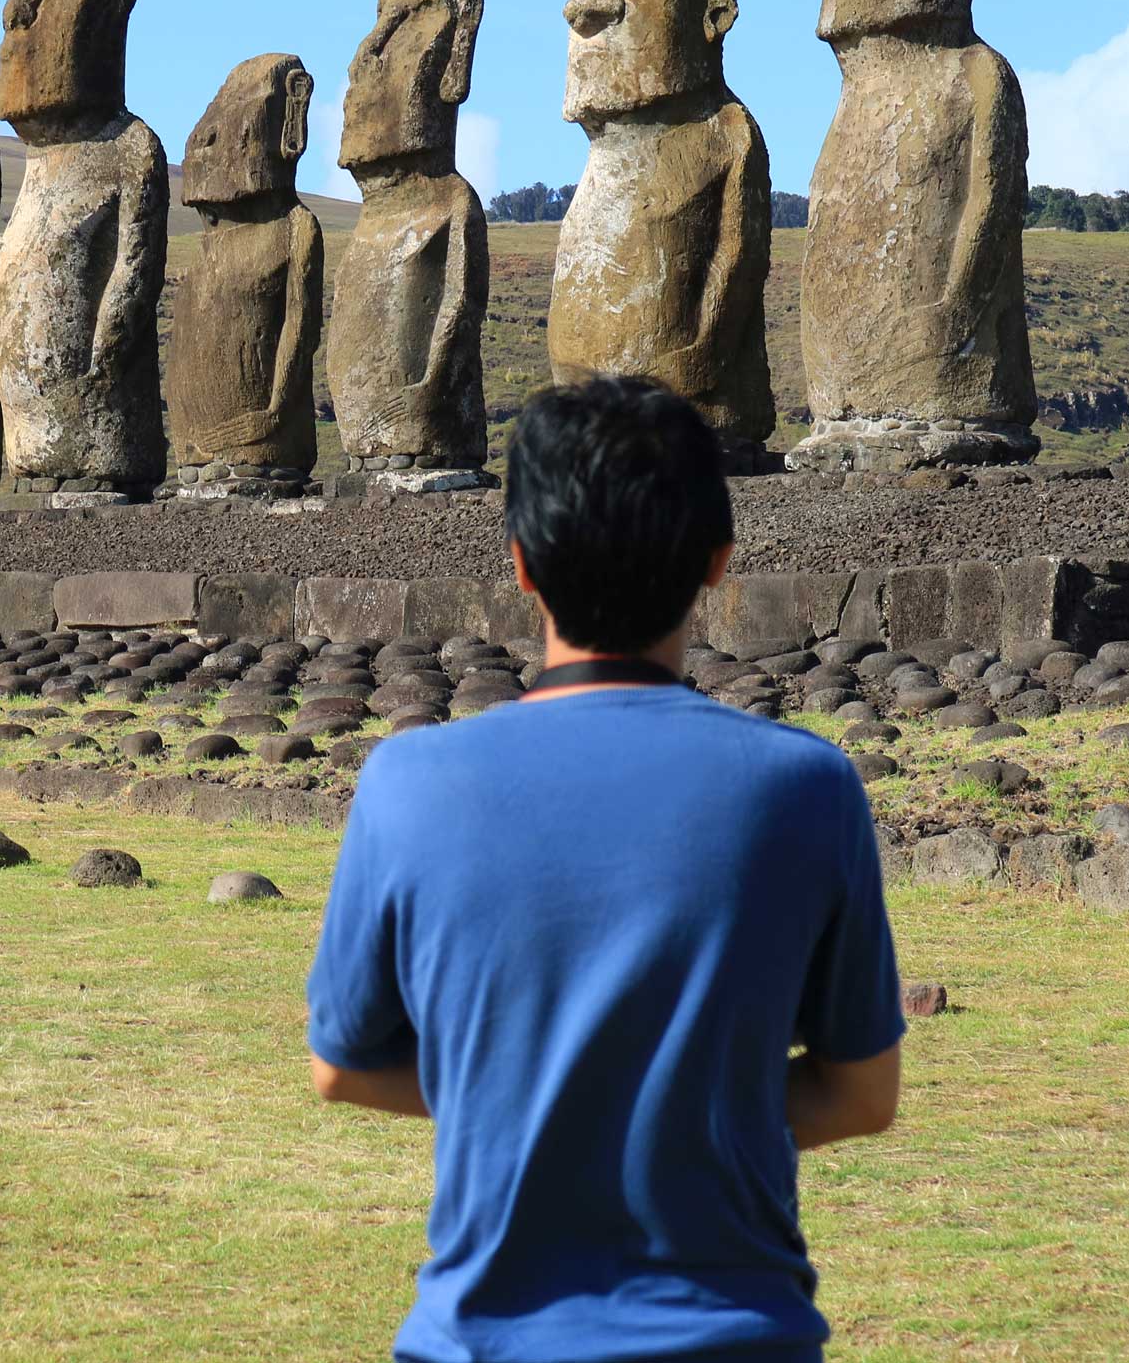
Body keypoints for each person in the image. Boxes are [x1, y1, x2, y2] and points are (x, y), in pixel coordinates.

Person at [307, 375, 905, 1363]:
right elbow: (862, 1096)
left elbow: (342, 1065)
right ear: (719, 562)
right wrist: (687, 1108)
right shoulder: (808, 788)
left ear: (520, 565)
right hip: (734, 1336)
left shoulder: (409, 782)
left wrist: (528, 1095)